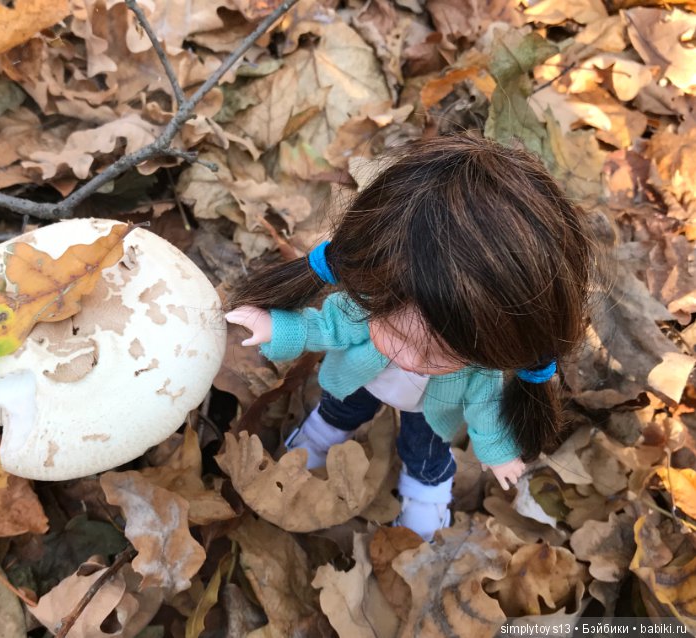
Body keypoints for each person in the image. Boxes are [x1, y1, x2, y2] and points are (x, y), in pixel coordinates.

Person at [224, 134, 592, 541]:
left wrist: (498, 451)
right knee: (339, 410)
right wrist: (278, 327)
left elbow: (484, 409)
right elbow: (324, 327)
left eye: (441, 352)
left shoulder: (476, 371)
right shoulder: (368, 304)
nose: (411, 359)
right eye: (396, 333)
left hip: (431, 410)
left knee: (426, 453)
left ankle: (425, 494)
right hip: (360, 378)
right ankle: (319, 437)